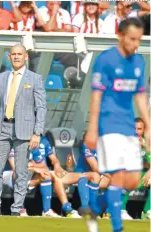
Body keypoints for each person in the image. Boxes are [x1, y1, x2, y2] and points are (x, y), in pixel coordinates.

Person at [85, 18, 150, 232]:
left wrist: (148, 126)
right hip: (107, 123)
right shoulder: (106, 60)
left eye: (139, 40)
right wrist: (93, 129)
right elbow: (96, 96)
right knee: (116, 174)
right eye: (132, 39)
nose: (135, 44)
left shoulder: (139, 62)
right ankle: (117, 227)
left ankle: (94, 208)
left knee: (132, 181)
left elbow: (140, 97)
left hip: (128, 124)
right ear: (120, 36)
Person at [0, 44, 47, 216]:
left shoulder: (35, 78)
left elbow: (41, 107)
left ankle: (17, 208)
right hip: (2, 128)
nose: (17, 57)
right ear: (9, 56)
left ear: (26, 56)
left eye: (20, 54)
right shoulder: (1, 77)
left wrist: (37, 132)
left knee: (20, 172)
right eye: (13, 54)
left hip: (25, 130)